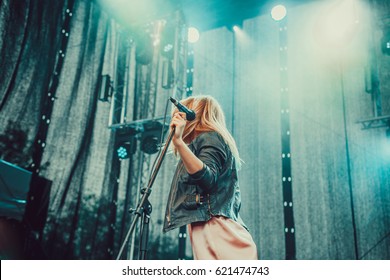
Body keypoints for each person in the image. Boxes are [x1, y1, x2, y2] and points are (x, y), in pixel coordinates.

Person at [163, 95, 258, 260]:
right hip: (215, 227)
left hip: (218, 228)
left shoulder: (210, 137)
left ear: (193, 115)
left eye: (180, 114)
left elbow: (208, 178)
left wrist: (178, 142)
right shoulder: (203, 143)